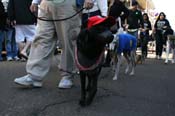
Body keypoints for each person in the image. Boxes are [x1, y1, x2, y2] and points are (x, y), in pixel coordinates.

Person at [13, 0, 94, 88]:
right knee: (41, 39)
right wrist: (35, 1)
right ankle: (34, 76)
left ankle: (67, 75)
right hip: (47, 4)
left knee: (68, 40)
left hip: (68, 3)